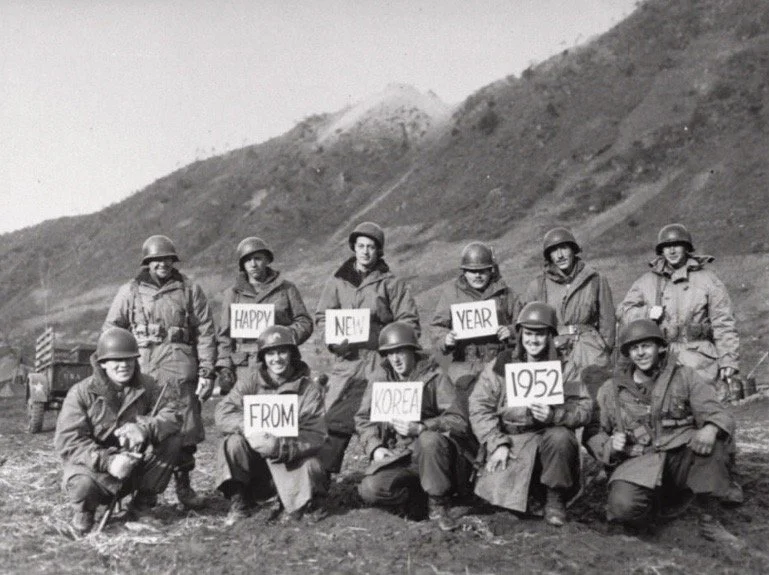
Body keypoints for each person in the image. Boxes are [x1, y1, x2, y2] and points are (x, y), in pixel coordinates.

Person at [584, 319, 741, 535]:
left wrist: (710, 429)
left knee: (714, 443)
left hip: (679, 458)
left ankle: (709, 520)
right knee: (622, 508)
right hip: (638, 462)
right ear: (628, 353)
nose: (641, 353)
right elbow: (593, 432)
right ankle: (650, 517)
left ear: (659, 347)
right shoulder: (610, 390)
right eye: (634, 348)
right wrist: (610, 445)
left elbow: (719, 413)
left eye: (646, 346)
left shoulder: (684, 376)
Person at [103, 234, 216, 508]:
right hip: (144, 370)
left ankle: (184, 489)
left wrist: (207, 371)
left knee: (185, 432)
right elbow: (112, 329)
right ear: (147, 263)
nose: (162, 264)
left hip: (181, 370)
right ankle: (137, 492)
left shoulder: (189, 289)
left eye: (167, 259)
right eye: (156, 260)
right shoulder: (129, 291)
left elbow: (205, 332)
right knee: (138, 428)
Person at [469, 302, 593, 527]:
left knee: (561, 437)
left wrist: (555, 415)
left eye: (540, 334)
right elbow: (479, 406)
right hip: (512, 441)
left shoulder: (565, 367)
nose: (533, 341)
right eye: (528, 333)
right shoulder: (501, 363)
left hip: (549, 444)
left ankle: (555, 499)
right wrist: (497, 443)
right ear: (520, 334)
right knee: (501, 503)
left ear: (550, 336)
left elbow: (584, 408)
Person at [314, 222, 421, 475]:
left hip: (380, 362)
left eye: (371, 247)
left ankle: (389, 475)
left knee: (384, 419)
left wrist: (384, 338)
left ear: (379, 251)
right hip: (348, 362)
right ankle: (320, 483)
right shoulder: (338, 282)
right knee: (334, 420)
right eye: (361, 246)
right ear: (354, 248)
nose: (365, 252)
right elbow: (322, 317)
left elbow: (410, 322)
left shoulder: (391, 283)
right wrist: (332, 341)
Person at [54, 328, 182, 535]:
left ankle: (141, 507)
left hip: (134, 466)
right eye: (115, 360)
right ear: (103, 363)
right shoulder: (80, 393)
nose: (124, 365)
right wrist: (109, 461)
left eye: (129, 359)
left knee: (173, 440)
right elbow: (68, 442)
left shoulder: (148, 386)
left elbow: (173, 416)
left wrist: (145, 428)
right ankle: (85, 514)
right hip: (93, 470)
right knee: (82, 485)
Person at [355, 322, 475, 531]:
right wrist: (375, 447)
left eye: (400, 351)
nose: (396, 359)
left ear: (412, 351)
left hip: (436, 455)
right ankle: (418, 499)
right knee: (370, 488)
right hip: (400, 455)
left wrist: (421, 427)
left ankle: (439, 504)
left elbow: (458, 420)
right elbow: (364, 419)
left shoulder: (435, 376)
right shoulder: (380, 379)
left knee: (429, 439)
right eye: (390, 353)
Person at [214, 326, 328, 525]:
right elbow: (223, 413)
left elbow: (316, 434)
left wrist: (280, 446)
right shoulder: (250, 381)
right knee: (232, 443)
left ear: (292, 354)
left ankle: (297, 502)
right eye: (270, 353)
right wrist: (249, 428)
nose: (277, 359)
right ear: (263, 357)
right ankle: (241, 501)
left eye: (282, 352)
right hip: (258, 465)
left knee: (313, 466)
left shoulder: (308, 388)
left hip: (291, 459)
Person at [618, 223, 739, 387]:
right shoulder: (646, 282)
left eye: (677, 245)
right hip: (659, 360)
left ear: (686, 247)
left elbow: (723, 322)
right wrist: (646, 313)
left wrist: (728, 360)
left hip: (700, 361)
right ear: (661, 251)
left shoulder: (709, 280)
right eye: (667, 247)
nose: (672, 251)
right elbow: (624, 312)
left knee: (705, 406)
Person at [215, 237, 313, 395]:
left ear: (267, 260)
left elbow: (304, 322)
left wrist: (282, 336)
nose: (253, 264)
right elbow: (225, 336)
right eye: (247, 260)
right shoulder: (233, 294)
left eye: (258, 258)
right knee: (247, 413)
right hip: (244, 367)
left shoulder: (286, 289)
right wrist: (225, 367)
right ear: (242, 265)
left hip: (278, 364)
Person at [430, 241, 522, 402]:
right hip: (465, 364)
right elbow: (437, 327)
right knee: (466, 408)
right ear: (464, 272)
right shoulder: (451, 294)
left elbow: (523, 325)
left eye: (482, 271)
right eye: (472, 271)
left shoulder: (506, 294)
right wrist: (446, 339)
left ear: (490, 270)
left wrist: (511, 331)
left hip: (499, 362)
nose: (478, 275)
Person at [523, 227, 615, 382]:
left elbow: (608, 322)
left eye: (564, 248)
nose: (560, 255)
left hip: (590, 349)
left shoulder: (595, 279)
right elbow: (529, 324)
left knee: (596, 395)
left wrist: (602, 348)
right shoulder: (537, 286)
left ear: (573, 250)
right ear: (549, 256)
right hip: (554, 351)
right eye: (554, 251)